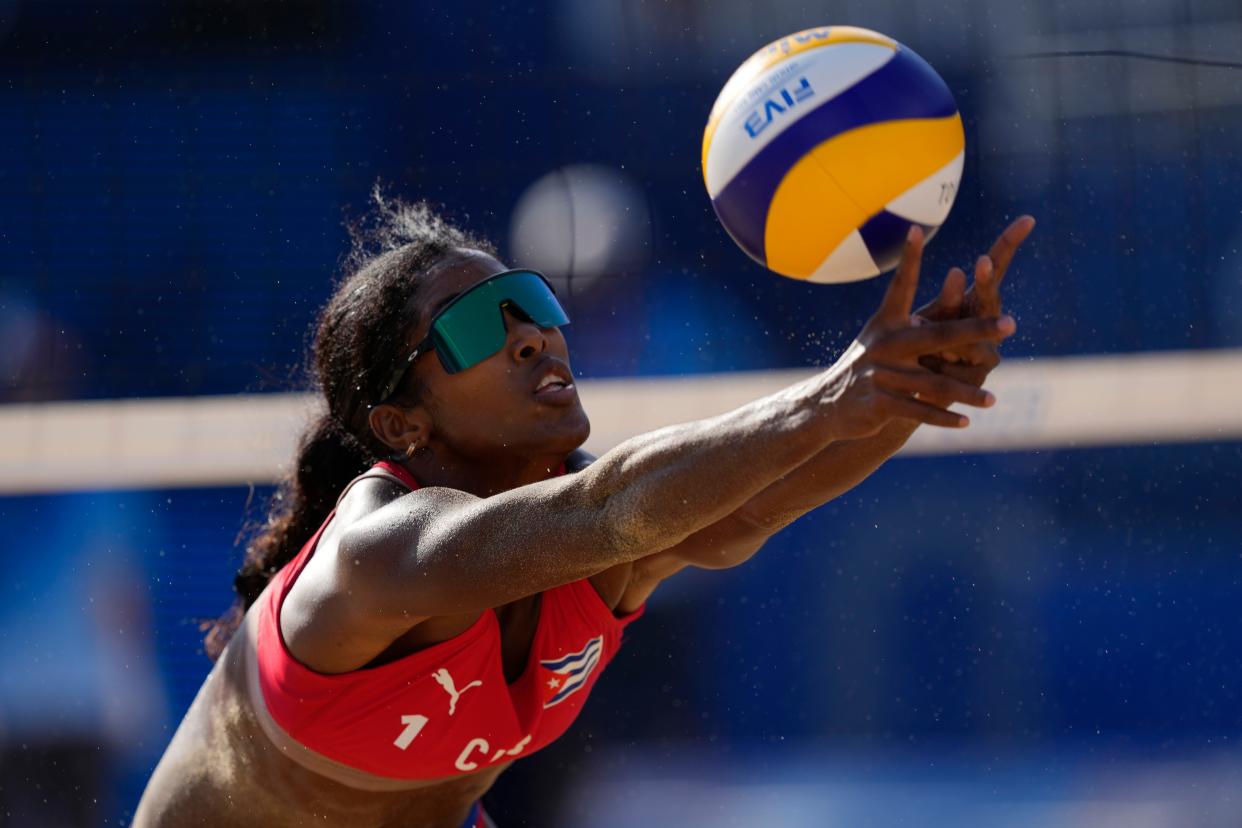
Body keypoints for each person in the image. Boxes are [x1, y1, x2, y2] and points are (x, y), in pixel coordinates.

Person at [134, 190, 1034, 827]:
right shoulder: (378, 550)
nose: (532, 333)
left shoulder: (584, 524)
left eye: (529, 301)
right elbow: (614, 509)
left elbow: (748, 512)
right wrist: (835, 394)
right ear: (401, 423)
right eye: (482, 324)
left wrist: (898, 400)